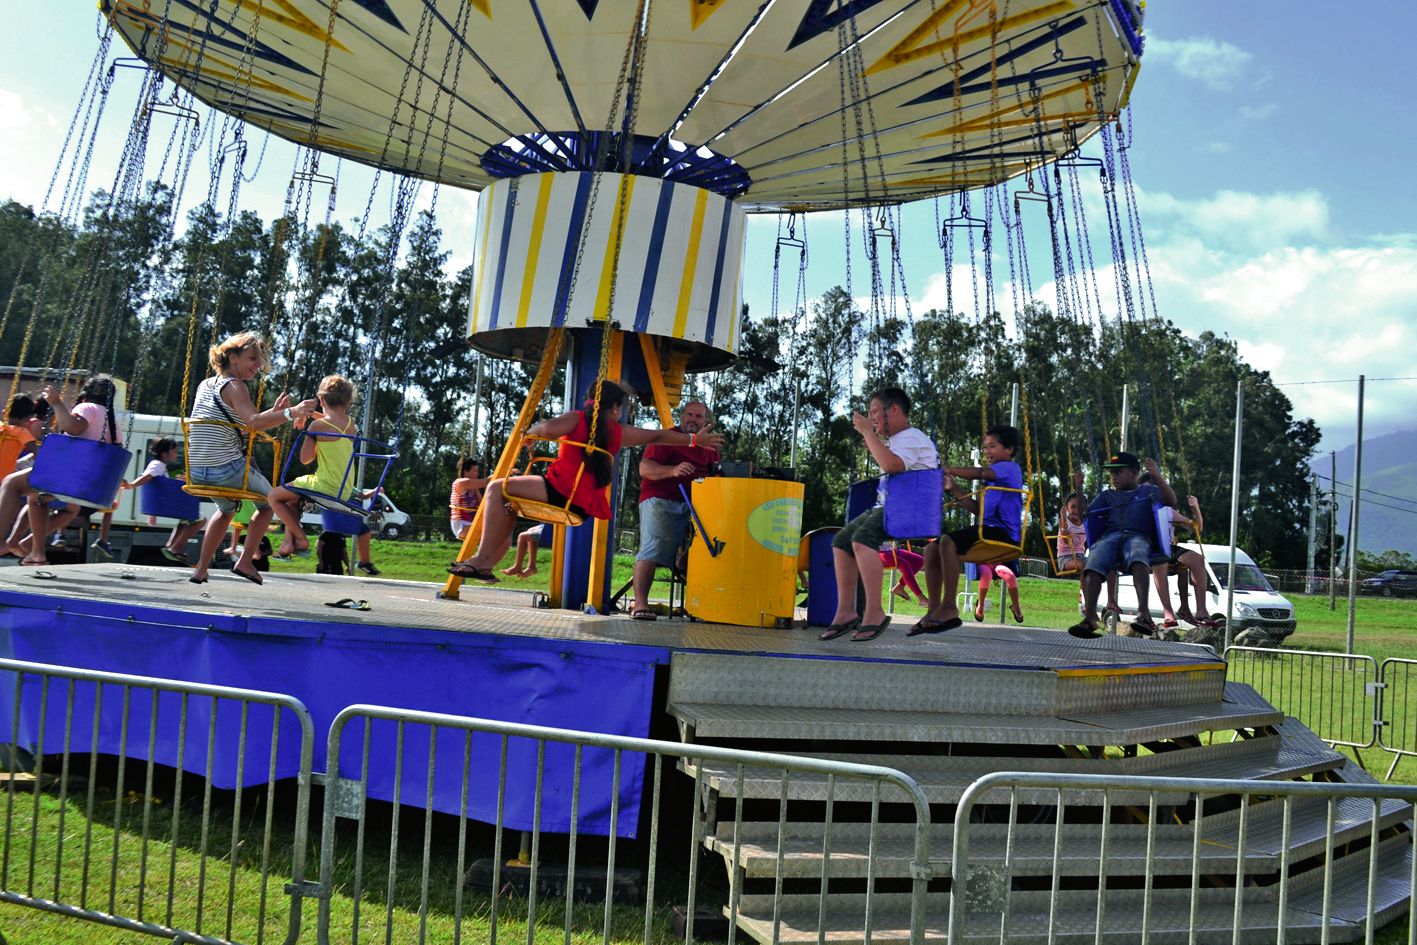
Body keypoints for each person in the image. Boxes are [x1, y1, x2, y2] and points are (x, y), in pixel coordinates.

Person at [448, 380, 724, 582]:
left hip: (560, 491)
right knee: (509, 504)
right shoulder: (620, 432)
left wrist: (530, 432)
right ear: (615, 409)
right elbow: (656, 436)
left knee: (498, 487)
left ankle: (482, 560)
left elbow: (546, 429)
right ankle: (488, 562)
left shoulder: (576, 418)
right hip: (584, 505)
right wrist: (692, 440)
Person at [185, 331, 317, 585]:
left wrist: (276, 413)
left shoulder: (208, 384)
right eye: (252, 358)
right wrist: (293, 412)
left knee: (225, 510)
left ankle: (201, 569)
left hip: (199, 468)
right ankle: (245, 561)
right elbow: (254, 423)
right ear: (233, 357)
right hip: (224, 467)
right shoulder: (236, 386)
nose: (258, 365)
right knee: (272, 502)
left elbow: (244, 426)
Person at [820, 387, 938, 642]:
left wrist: (867, 433)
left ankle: (874, 611)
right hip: (892, 505)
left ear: (893, 410)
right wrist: (874, 440)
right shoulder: (898, 441)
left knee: (862, 540)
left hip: (911, 508)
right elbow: (890, 460)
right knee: (841, 541)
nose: (871, 417)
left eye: (874, 411)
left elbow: (892, 465)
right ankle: (846, 611)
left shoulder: (912, 436)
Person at [914, 424, 1024, 635]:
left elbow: (981, 471)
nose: (987, 452)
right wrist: (954, 488)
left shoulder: (1010, 468)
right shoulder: (992, 482)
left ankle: (949, 607)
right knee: (930, 550)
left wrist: (950, 469)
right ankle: (933, 609)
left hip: (1004, 534)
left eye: (992, 446)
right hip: (987, 529)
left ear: (1009, 449)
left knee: (948, 542)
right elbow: (978, 511)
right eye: (985, 447)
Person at [0, 376, 122, 567]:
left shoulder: (87, 408)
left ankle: (7, 542)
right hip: (89, 484)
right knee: (43, 500)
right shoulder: (112, 422)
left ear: (86, 394)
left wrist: (56, 403)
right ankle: (35, 552)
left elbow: (73, 428)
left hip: (70, 477)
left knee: (11, 483)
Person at [1068, 451, 1176, 638]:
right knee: (1094, 559)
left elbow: (1171, 501)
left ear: (1134, 473)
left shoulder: (1147, 491)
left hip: (1137, 536)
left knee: (1137, 553)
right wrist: (1079, 489)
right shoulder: (1107, 495)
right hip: (1111, 537)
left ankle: (1143, 614)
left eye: (1118, 472)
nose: (1114, 477)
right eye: (1112, 473)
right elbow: (1085, 516)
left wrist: (1156, 475)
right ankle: (1090, 618)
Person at [629, 400, 717, 621]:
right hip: (661, 498)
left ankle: (688, 576)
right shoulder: (668, 437)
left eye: (698, 416)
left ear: (707, 421)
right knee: (651, 547)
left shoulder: (710, 448)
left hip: (696, 504)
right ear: (682, 417)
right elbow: (645, 468)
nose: (692, 420)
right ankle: (639, 605)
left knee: (713, 544)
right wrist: (673, 470)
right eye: (689, 415)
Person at [268, 374, 359, 559]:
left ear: (321, 399)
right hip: (343, 489)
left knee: (274, 496)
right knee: (293, 500)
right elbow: (330, 422)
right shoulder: (352, 425)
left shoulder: (317, 426)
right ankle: (287, 544)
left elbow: (305, 459)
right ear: (348, 401)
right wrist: (309, 416)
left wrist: (312, 434)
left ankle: (301, 539)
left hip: (324, 485)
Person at [119, 436, 206, 564]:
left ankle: (171, 546)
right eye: (175, 451)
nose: (176, 454)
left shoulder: (158, 465)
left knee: (185, 520)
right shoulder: (158, 465)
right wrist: (132, 485)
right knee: (201, 519)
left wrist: (152, 513)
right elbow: (147, 477)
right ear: (166, 452)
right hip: (168, 503)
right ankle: (176, 547)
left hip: (164, 503)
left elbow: (157, 487)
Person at [449, 458, 488, 540]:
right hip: (461, 525)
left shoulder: (471, 486)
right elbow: (485, 482)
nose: (477, 473)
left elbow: (481, 504)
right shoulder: (461, 483)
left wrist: (476, 488)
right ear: (465, 471)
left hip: (469, 523)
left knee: (502, 538)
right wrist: (507, 472)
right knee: (495, 534)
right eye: (475, 471)